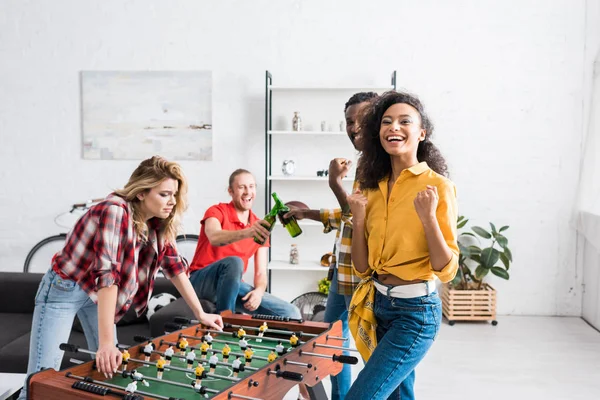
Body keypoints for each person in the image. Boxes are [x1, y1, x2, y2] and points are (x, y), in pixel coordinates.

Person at [17, 156, 223, 400]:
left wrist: (200, 313)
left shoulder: (157, 222)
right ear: (141, 193)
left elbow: (174, 266)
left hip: (95, 294)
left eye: (174, 194)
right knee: (41, 381)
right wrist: (106, 343)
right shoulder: (114, 211)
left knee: (110, 368)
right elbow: (107, 275)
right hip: (65, 288)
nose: (172, 201)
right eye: (164, 194)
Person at [346, 91, 459, 400]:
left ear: (422, 133)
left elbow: (447, 270)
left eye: (404, 121)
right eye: (386, 122)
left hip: (416, 314)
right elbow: (363, 266)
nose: (393, 127)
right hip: (379, 306)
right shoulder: (372, 188)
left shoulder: (438, 186)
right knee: (398, 396)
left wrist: (428, 219)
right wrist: (358, 220)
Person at [283, 92, 378, 400]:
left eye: (361, 120)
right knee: (333, 340)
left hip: (364, 274)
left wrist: (335, 185)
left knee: (371, 348)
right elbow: (350, 214)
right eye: (349, 121)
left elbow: (358, 216)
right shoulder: (366, 163)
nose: (353, 127)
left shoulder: (379, 165)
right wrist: (307, 212)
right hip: (344, 268)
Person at [188, 169, 301, 319]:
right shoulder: (217, 211)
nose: (248, 192)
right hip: (202, 281)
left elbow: (261, 272)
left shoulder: (260, 226)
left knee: (290, 313)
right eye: (242, 187)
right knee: (234, 262)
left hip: (231, 285)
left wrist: (259, 292)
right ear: (231, 191)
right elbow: (214, 237)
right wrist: (248, 232)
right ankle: (226, 322)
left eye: (251, 186)